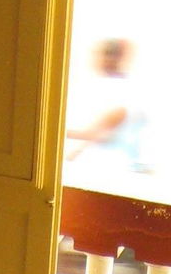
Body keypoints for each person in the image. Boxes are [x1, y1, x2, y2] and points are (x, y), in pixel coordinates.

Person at [64, 38, 152, 186]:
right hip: (101, 172)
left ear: (111, 59)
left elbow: (94, 132)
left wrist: (54, 129)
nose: (94, 58)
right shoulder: (104, 88)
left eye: (99, 54)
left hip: (115, 177)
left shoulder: (124, 92)